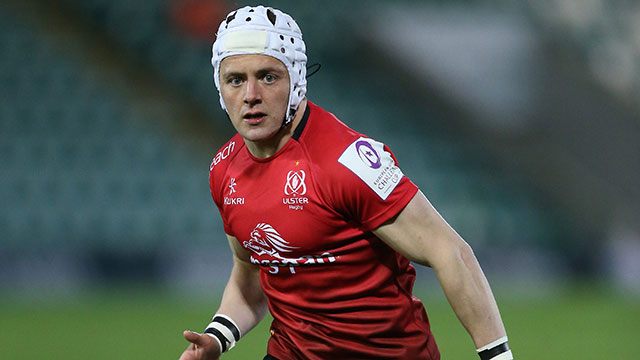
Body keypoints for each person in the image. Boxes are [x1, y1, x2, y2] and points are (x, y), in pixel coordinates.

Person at [179, 5, 512, 360]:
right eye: (235, 80)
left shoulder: (347, 162)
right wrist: (217, 338)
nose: (250, 95)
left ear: (296, 79)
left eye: (268, 77)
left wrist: (498, 357)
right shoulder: (224, 169)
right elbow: (250, 275)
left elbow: (451, 253)